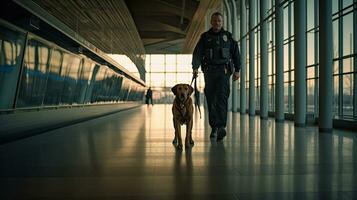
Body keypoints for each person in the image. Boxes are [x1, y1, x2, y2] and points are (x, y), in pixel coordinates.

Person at [192, 12, 241, 141]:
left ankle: (221, 127)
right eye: (214, 20)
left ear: (222, 22)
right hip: (209, 72)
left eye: (219, 21)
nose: (217, 23)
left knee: (222, 98)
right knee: (211, 99)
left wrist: (237, 70)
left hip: (224, 72)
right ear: (211, 22)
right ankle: (214, 127)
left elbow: (236, 53)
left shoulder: (228, 37)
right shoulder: (205, 37)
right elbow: (197, 53)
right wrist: (195, 67)